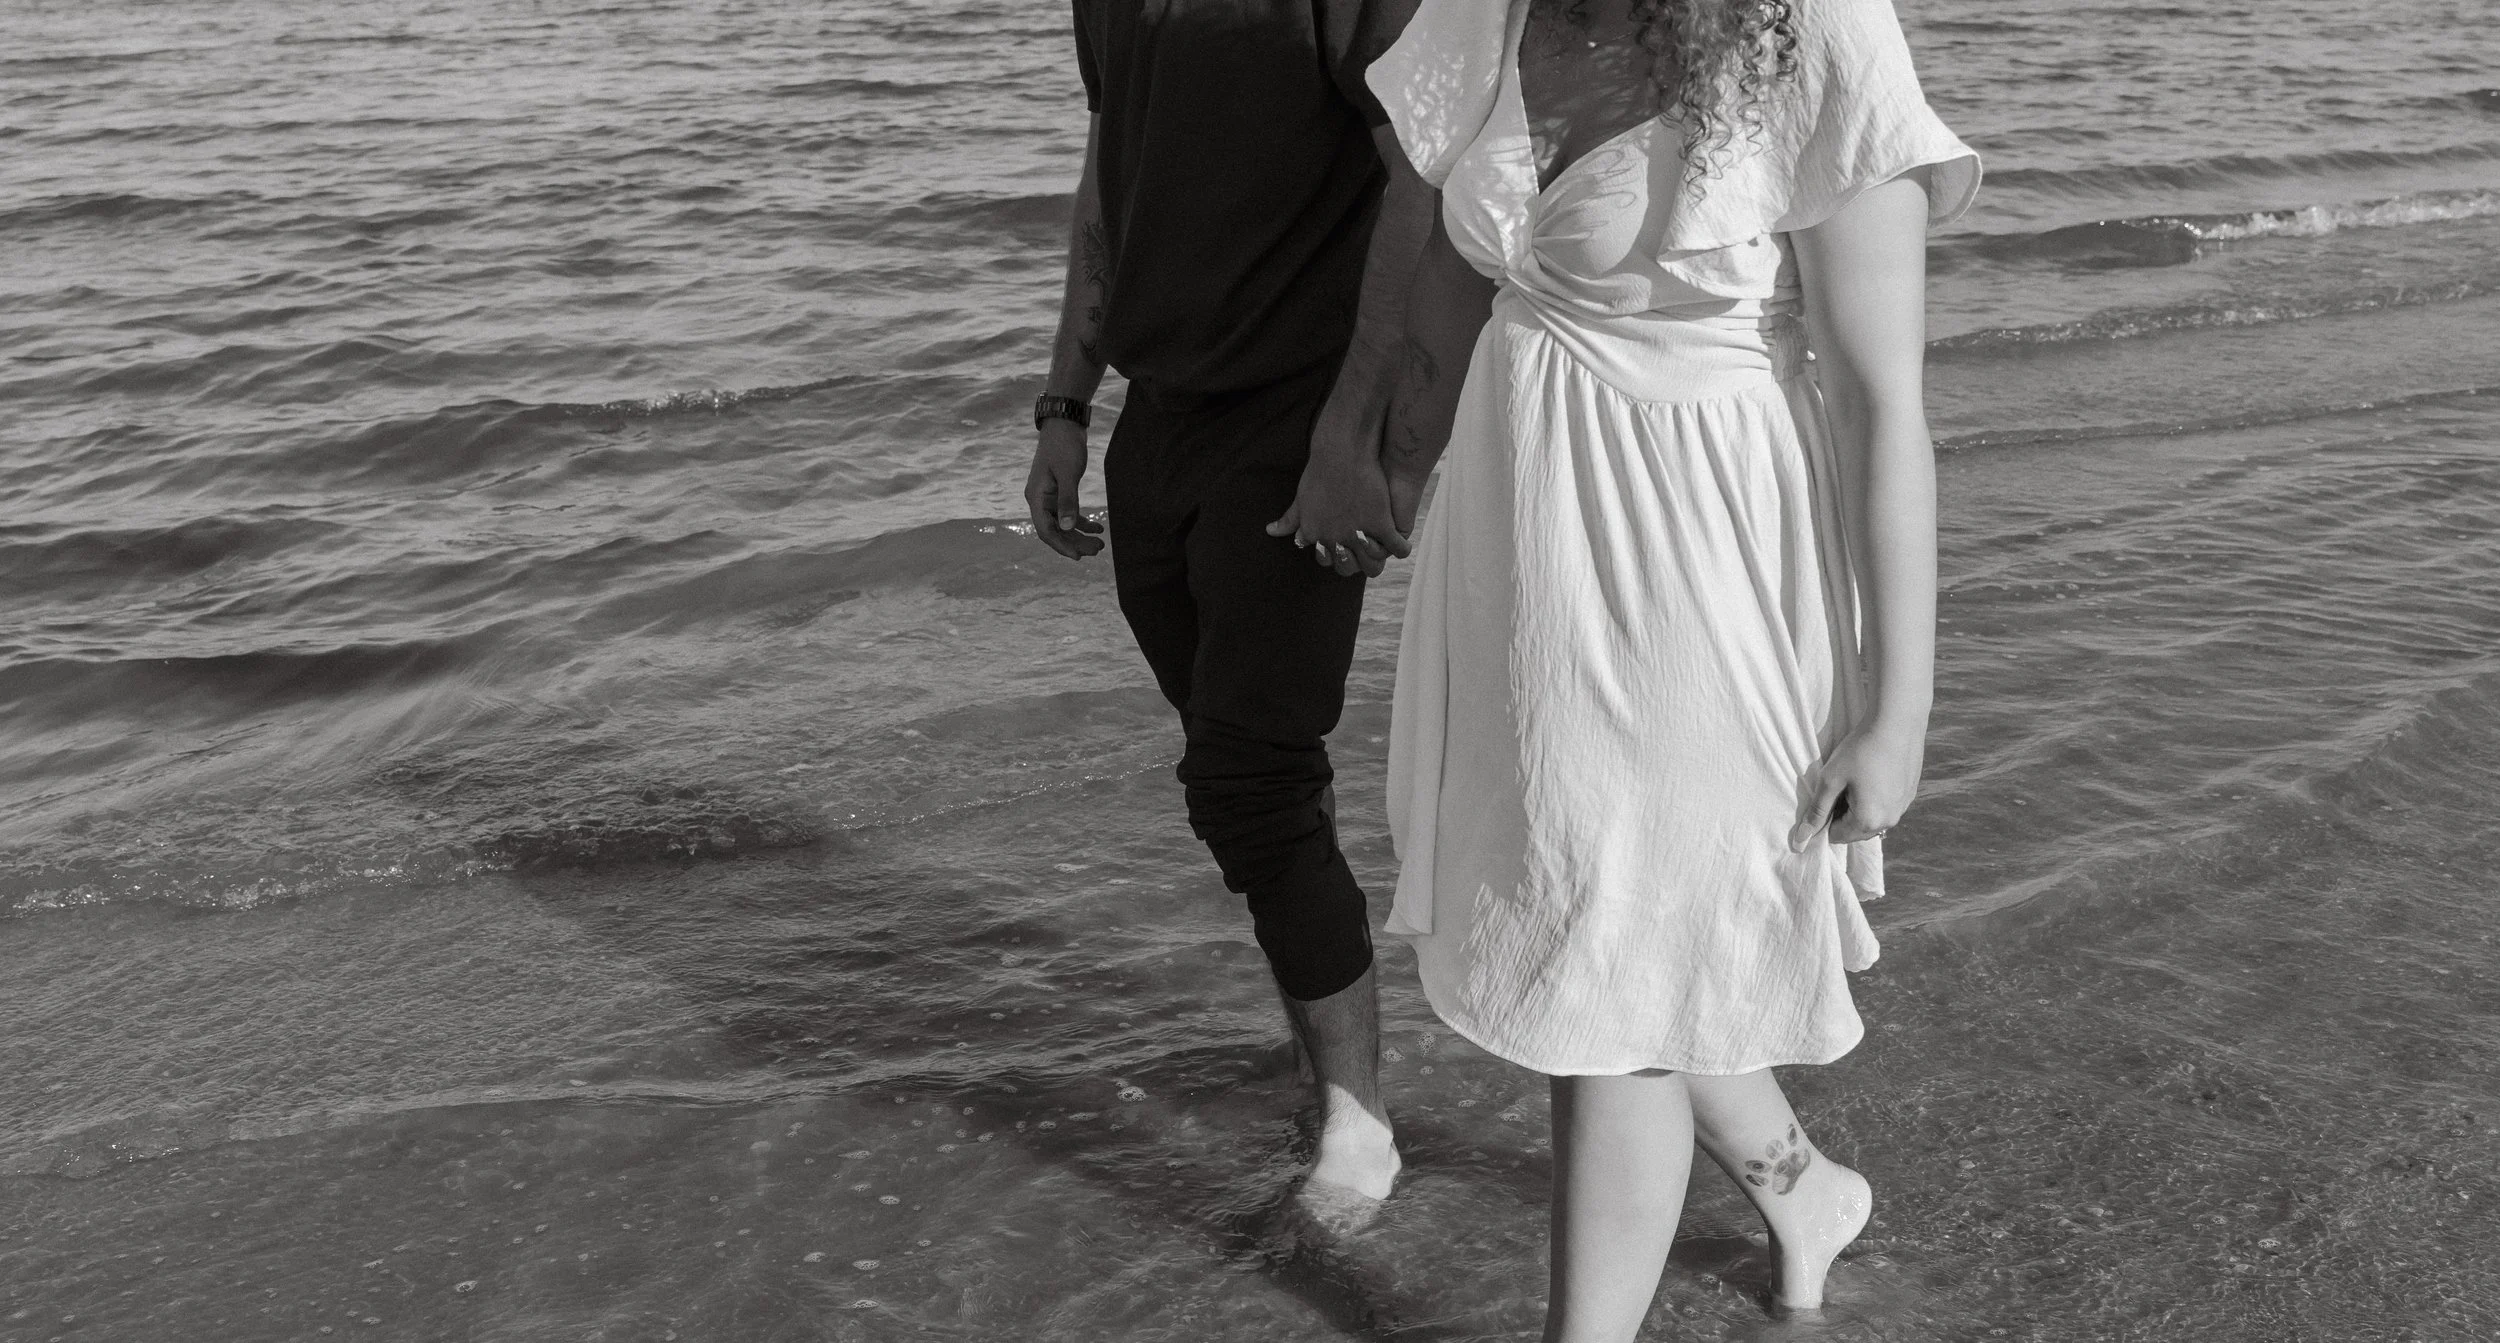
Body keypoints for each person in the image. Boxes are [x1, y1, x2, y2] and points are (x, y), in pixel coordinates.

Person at [1356, 0, 1980, 1332]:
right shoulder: (1495, 4)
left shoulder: (1812, 26)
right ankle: (1801, 1185)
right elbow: (1454, 260)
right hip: (1525, 556)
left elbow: (1885, 405)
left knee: (1616, 974)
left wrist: (1898, 708)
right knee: (1624, 927)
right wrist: (1382, 448)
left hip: (1706, 565)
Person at [1021, 0, 1466, 1223]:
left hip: (1296, 419)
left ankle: (1358, 1121)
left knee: (1249, 774)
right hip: (1159, 420)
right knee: (1244, 769)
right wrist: (1066, 401)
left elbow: (1420, 184)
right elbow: (1109, 174)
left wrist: (1351, 434)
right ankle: (1323, 1046)